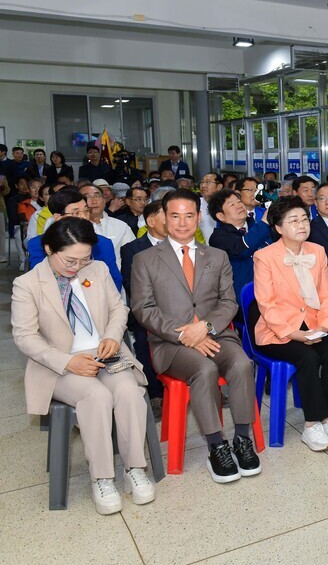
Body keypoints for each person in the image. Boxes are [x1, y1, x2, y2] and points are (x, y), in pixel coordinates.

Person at [12, 216, 155, 515]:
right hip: (58, 363)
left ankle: (134, 469)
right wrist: (69, 362)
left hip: (103, 352)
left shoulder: (98, 270)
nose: (77, 267)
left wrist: (112, 337)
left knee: (129, 391)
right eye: (69, 260)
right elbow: (25, 337)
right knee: (96, 396)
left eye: (84, 259)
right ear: (49, 249)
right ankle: (102, 477)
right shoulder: (27, 284)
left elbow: (119, 308)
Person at [130, 188, 261, 483]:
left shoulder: (216, 255)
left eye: (189, 215)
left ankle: (242, 438)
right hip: (169, 343)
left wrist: (205, 327)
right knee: (204, 369)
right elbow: (143, 309)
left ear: (199, 217)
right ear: (163, 217)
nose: (182, 222)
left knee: (241, 364)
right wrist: (185, 334)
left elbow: (228, 302)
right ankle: (217, 445)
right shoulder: (145, 259)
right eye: (174, 215)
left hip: (216, 334)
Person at [251, 197, 328, 451]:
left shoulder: (317, 251)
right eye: (293, 221)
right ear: (278, 228)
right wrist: (292, 333)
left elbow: (327, 294)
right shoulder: (264, 257)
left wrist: (326, 325)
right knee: (307, 358)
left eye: (305, 219)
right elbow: (266, 304)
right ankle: (311, 424)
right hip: (278, 331)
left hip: (313, 324)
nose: (302, 224)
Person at [120, 201, 166, 412]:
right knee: (144, 336)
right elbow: (132, 284)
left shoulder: (181, 244)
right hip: (148, 306)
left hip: (182, 307)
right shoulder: (132, 249)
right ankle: (156, 392)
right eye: (167, 215)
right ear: (151, 221)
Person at [207, 188, 273, 308]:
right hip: (244, 299)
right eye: (232, 204)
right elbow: (242, 249)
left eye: (239, 202)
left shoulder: (258, 226)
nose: (239, 206)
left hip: (272, 290)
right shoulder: (218, 237)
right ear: (221, 216)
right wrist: (265, 222)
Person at [79, 182, 135, 270]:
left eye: (97, 196)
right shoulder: (75, 228)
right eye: (88, 197)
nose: (94, 201)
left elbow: (132, 256)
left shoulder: (121, 226)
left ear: (104, 201)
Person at [197, 172, 222, 240]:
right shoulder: (195, 204)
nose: (203, 185)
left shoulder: (226, 205)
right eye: (202, 182)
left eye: (208, 182)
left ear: (219, 187)